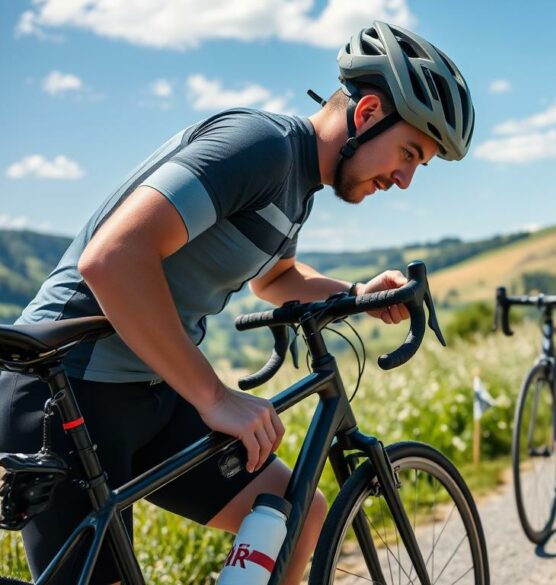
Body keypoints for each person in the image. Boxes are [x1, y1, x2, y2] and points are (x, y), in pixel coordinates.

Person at [0, 21, 473, 585]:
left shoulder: (298, 183)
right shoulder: (260, 149)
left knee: (297, 515)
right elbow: (113, 258)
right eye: (410, 153)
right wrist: (214, 395)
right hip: (68, 389)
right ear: (368, 113)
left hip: (149, 391)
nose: (404, 180)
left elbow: (275, 279)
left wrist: (356, 296)